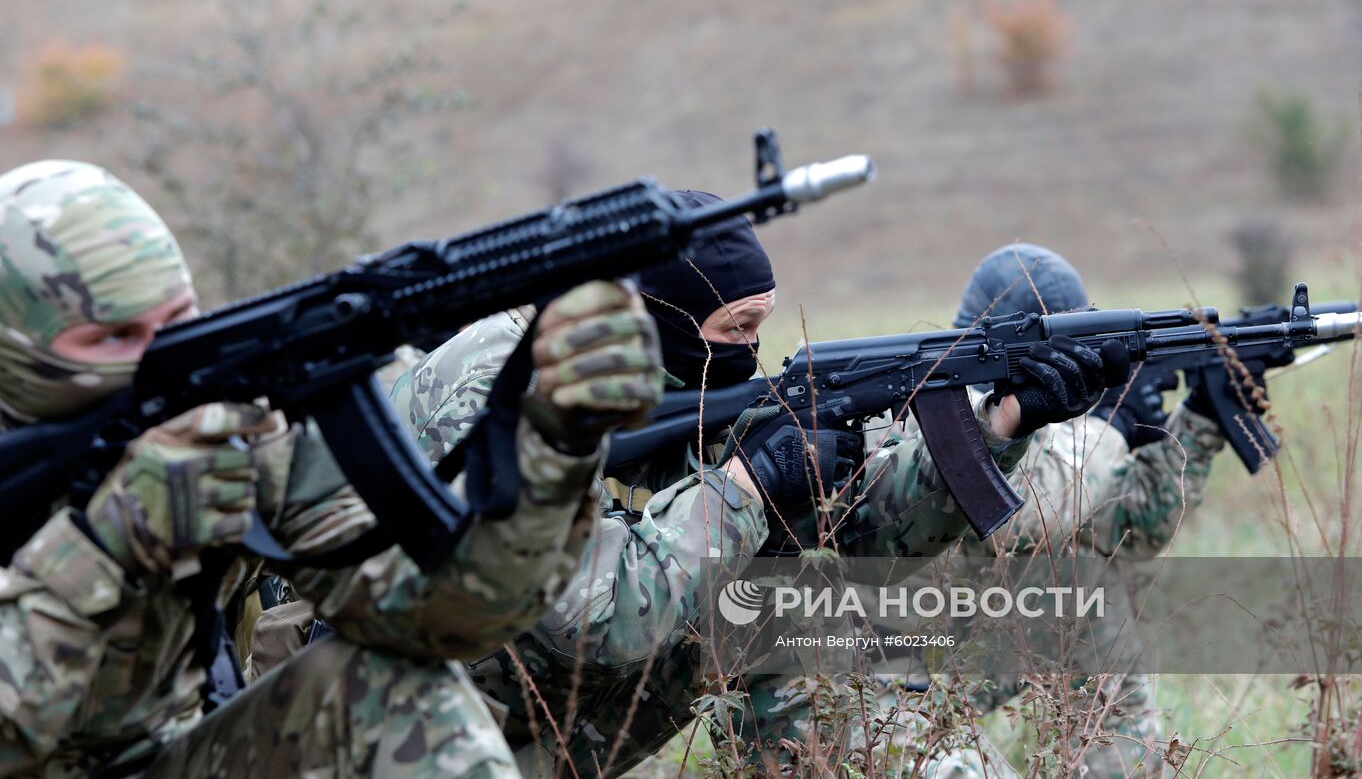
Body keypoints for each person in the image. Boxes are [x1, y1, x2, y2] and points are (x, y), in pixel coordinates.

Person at [387, 193, 1120, 777]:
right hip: (391, 727)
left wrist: (1001, 423)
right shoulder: (500, 384)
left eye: (761, 324)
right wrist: (748, 482)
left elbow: (864, 528)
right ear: (660, 316)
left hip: (514, 700)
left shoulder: (665, 367)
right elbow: (598, 618)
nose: (752, 352)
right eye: (736, 327)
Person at [0, 160, 665, 777]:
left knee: (391, 682)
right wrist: (101, 551)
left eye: (177, 320)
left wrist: (554, 445)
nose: (162, 358)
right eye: (114, 339)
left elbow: (444, 618)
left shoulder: (227, 430)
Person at [874, 243, 1233, 779]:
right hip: (888, 669)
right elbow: (1026, 512)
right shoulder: (915, 412)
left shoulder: (1063, 433)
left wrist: (1195, 419)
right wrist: (1112, 424)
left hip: (991, 639)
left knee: (1084, 575)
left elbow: (1132, 529)